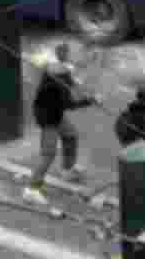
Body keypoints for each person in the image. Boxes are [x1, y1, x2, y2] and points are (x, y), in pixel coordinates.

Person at [23, 44, 97, 205]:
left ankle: (67, 170)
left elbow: (72, 81)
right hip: (48, 117)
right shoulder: (60, 80)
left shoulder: (56, 69)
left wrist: (79, 85)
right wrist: (89, 101)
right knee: (48, 154)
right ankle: (32, 189)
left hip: (52, 111)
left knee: (70, 136)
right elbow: (69, 104)